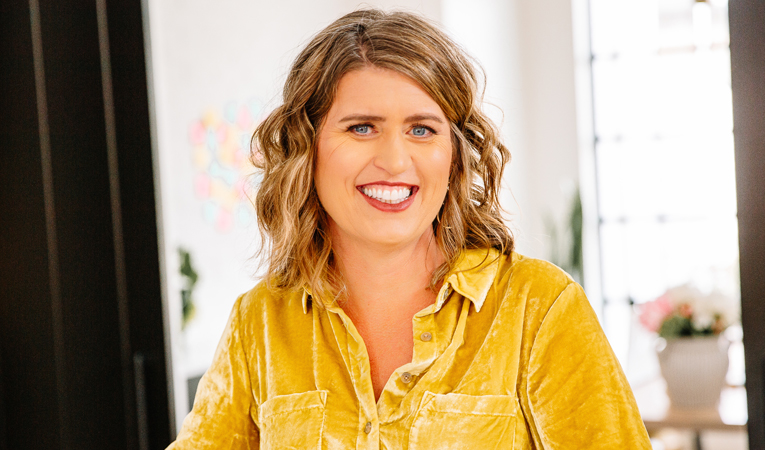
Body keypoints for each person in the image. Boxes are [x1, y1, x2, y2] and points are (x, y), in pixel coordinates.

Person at [167, 9, 651, 449]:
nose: (395, 161)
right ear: (307, 147)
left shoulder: (539, 308)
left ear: (454, 154)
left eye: (422, 129)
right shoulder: (262, 323)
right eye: (361, 127)